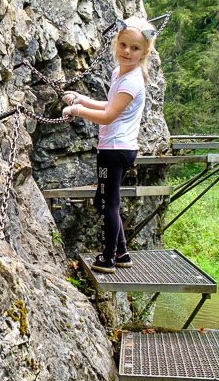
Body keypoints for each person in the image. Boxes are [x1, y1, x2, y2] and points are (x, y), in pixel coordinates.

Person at [61, 16, 157, 273]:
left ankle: (108, 258)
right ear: (117, 43)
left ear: (145, 52)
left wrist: (77, 109)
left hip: (116, 150)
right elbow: (108, 106)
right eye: (123, 45)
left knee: (107, 203)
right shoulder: (120, 74)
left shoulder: (132, 81)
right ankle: (122, 252)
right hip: (116, 148)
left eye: (135, 48)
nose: (127, 51)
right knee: (104, 198)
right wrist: (83, 99)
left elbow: (108, 116)